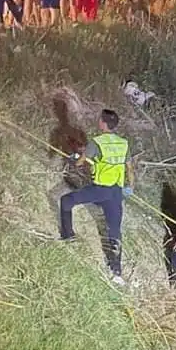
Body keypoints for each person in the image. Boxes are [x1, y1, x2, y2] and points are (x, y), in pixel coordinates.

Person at [57, 108, 133, 286]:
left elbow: (80, 162)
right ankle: (116, 271)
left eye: (100, 120)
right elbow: (129, 168)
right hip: (116, 191)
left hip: (100, 189)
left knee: (66, 201)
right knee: (114, 230)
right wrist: (130, 186)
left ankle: (68, 236)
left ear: (103, 123)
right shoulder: (123, 143)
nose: (98, 121)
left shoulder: (97, 142)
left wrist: (73, 158)